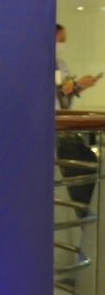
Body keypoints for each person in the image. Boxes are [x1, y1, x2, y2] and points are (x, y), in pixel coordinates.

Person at [56, 23, 100, 214]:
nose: (63, 44)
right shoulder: (38, 63)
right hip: (55, 128)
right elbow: (58, 90)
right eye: (60, 40)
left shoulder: (61, 64)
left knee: (89, 163)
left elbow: (65, 92)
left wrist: (81, 86)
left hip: (66, 129)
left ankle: (85, 213)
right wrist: (76, 85)